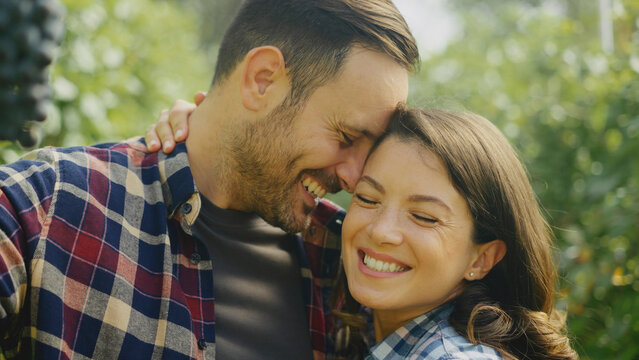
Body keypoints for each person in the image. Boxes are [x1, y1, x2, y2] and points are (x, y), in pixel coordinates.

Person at [0, 1, 419, 359]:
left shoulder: (348, 260)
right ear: (263, 80)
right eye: (346, 137)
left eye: (371, 150)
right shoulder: (55, 201)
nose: (354, 178)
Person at [152, 107, 578, 359]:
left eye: (425, 217)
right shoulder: (371, 330)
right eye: (369, 200)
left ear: (481, 258)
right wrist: (210, 132)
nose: (382, 231)